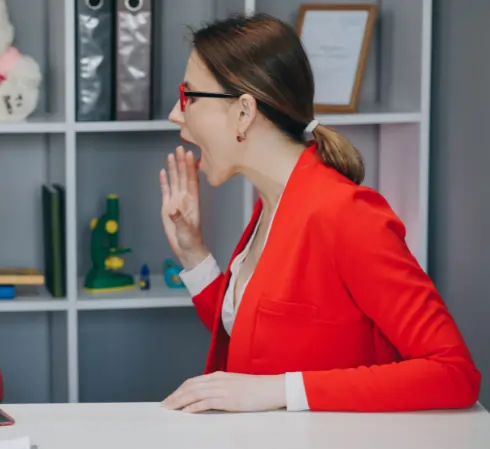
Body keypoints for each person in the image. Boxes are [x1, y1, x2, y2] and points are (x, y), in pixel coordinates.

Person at [158, 13, 480, 413]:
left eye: (189, 96)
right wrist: (193, 254)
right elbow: (256, 336)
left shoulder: (348, 216)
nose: (176, 112)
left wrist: (278, 391)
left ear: (243, 112)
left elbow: (453, 373)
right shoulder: (271, 205)